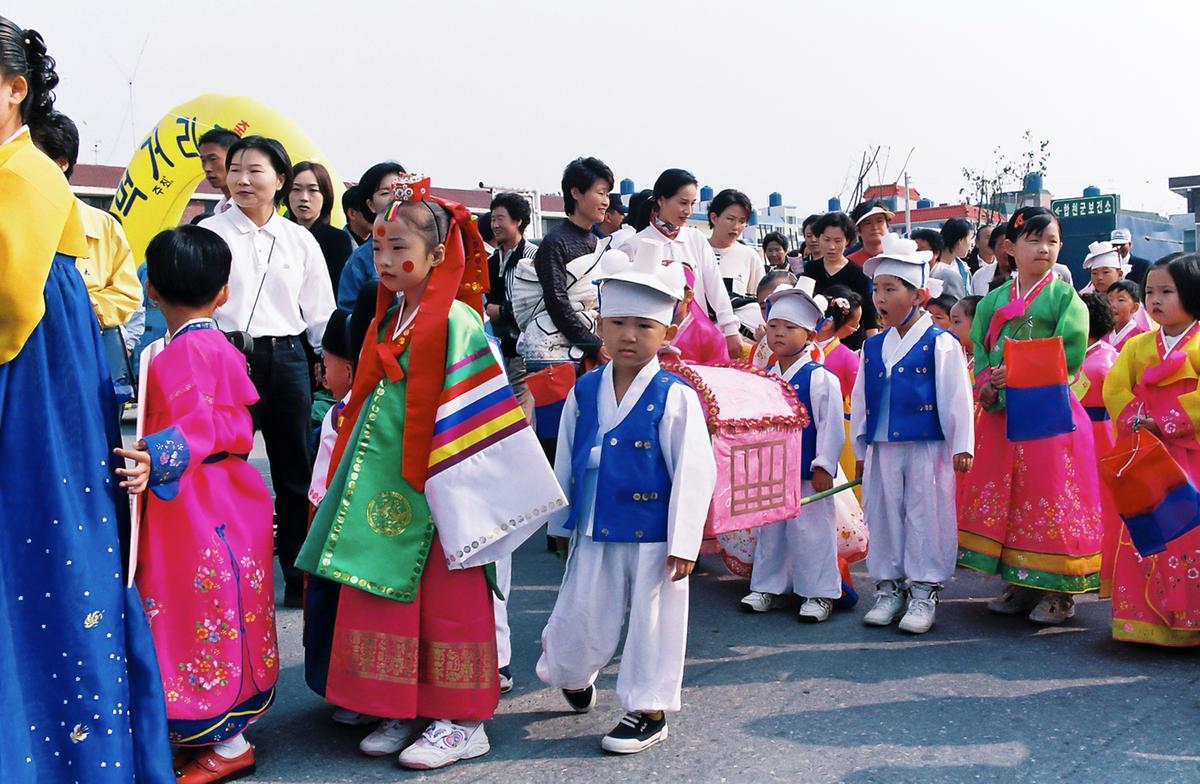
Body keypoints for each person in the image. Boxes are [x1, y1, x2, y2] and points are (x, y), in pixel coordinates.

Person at [298, 174, 561, 768]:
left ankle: (463, 720)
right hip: (387, 487)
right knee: (387, 598)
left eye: (399, 249)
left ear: (438, 255)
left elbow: (478, 414)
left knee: (448, 602)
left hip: (442, 490)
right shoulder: (390, 318)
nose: (385, 259)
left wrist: (450, 488)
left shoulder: (459, 322)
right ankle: (402, 705)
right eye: (380, 247)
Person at [0, 16, 174, 781]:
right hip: (41, 387)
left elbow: (9, 304)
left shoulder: (21, 176)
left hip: (30, 393)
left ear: (14, 90)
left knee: (41, 563)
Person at [537, 243, 716, 755]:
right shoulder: (585, 389)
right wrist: (559, 522)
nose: (629, 336)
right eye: (617, 323)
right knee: (580, 609)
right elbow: (567, 457)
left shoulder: (674, 394)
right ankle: (572, 672)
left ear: (667, 331)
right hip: (594, 519)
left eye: (644, 325)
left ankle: (648, 708)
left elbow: (694, 470)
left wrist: (684, 540)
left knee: (653, 622)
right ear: (600, 324)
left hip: (654, 530)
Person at [114, 226, 278, 783]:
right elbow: (236, 421)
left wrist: (152, 456)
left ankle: (227, 743)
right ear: (224, 291)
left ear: (151, 291)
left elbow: (202, 426)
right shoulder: (219, 346)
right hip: (230, 494)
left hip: (193, 502)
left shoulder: (178, 354)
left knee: (197, 609)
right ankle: (220, 732)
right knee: (227, 605)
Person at [200, 135, 336, 608]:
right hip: (226, 358)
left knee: (294, 471)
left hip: (288, 361)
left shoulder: (300, 240)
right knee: (221, 465)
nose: (241, 179)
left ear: (279, 180)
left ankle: (297, 577)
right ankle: (223, 571)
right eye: (234, 169)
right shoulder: (209, 234)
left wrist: (329, 360)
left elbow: (320, 310)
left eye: (254, 170)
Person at [957, 207, 1104, 624]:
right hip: (1004, 416)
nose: (1044, 249)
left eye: (1052, 241)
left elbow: (1071, 354)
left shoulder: (1064, 298)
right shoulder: (993, 301)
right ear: (1009, 248)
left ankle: (1058, 592)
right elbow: (982, 354)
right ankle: (1020, 581)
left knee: (1050, 495)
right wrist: (989, 384)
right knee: (1013, 497)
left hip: (1049, 416)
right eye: (1034, 240)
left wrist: (1019, 374)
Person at [850, 234, 974, 634]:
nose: (880, 298)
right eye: (876, 289)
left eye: (890, 289)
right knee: (883, 513)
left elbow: (957, 395)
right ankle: (888, 586)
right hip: (883, 444)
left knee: (926, 512)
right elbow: (861, 399)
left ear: (918, 294)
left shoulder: (941, 344)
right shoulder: (873, 346)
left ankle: (923, 590)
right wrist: (860, 445)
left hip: (927, 444)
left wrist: (962, 444)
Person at [1103, 253, 1200, 646]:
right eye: (1150, 292)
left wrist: (1168, 421)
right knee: (1146, 532)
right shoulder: (1137, 346)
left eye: (1167, 291)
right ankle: (1143, 621)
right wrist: (1140, 421)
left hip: (1189, 456)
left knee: (1189, 534)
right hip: (1147, 455)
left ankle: (1189, 621)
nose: (1155, 299)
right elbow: (1114, 388)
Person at [740, 280, 843, 622]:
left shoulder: (819, 377)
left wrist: (824, 464)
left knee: (811, 532)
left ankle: (818, 593)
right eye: (773, 326)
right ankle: (768, 586)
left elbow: (830, 425)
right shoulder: (764, 375)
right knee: (771, 530)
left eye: (790, 327)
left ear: (811, 335)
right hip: (772, 469)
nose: (779, 333)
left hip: (805, 469)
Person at [30, 110, 142, 410]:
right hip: (23, 361)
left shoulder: (103, 227)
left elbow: (127, 295)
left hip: (88, 359)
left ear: (61, 163)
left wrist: (72, 310)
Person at [622, 169, 743, 360]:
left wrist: (730, 328)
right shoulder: (634, 245)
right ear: (661, 200)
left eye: (692, 204)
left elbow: (715, 286)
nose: (688, 211)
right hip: (652, 343)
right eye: (683, 203)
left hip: (697, 339)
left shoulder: (695, 238)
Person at [521, 156, 612, 374]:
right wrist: (593, 344)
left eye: (607, 194)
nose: (606, 201)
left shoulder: (597, 243)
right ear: (576, 193)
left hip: (591, 345)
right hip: (557, 352)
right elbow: (557, 302)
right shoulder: (555, 242)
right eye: (600, 193)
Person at [1073, 292, 1122, 599]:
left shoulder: (1107, 355)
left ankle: (1099, 563)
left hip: (1100, 434)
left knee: (1098, 501)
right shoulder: (1071, 353)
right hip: (1073, 433)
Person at [486, 191, 539, 423]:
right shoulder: (491, 260)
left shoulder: (534, 257)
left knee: (519, 412)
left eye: (500, 219)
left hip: (523, 346)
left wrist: (503, 311)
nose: (495, 224)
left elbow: (538, 299)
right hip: (498, 346)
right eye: (492, 219)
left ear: (518, 221)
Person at [336, 160, 407, 310]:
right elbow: (350, 317)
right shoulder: (359, 261)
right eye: (385, 193)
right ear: (371, 205)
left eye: (400, 190)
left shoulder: (428, 248)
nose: (394, 198)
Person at [803, 212, 878, 350]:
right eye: (826, 240)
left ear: (847, 241)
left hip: (849, 345)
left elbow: (869, 314)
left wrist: (874, 348)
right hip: (814, 344)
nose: (831, 246)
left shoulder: (859, 274)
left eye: (838, 241)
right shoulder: (810, 269)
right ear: (819, 238)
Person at [289, 160, 355, 290]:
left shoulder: (337, 240)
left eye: (313, 190)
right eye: (296, 189)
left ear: (325, 195)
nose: (304, 197)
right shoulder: (279, 235)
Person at [707, 188, 764, 300]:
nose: (736, 226)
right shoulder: (696, 250)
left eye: (742, 221)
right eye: (730, 219)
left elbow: (760, 300)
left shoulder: (750, 256)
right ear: (714, 218)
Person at [198, 128, 239, 215]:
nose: (207, 168)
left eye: (213, 159)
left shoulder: (254, 208)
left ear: (235, 157)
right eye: (203, 161)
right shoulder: (219, 209)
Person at [932, 217, 974, 299]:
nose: (970, 245)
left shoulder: (963, 269)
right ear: (961, 240)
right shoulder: (932, 266)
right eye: (970, 239)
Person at [847, 199, 893, 265]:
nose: (874, 227)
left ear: (887, 225)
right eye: (867, 223)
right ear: (857, 230)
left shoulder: (902, 258)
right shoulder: (849, 264)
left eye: (879, 221)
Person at [1105, 279, 1147, 351]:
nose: (1112, 305)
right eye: (1109, 300)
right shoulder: (1101, 332)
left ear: (1135, 307)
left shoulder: (1142, 336)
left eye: (1121, 300)